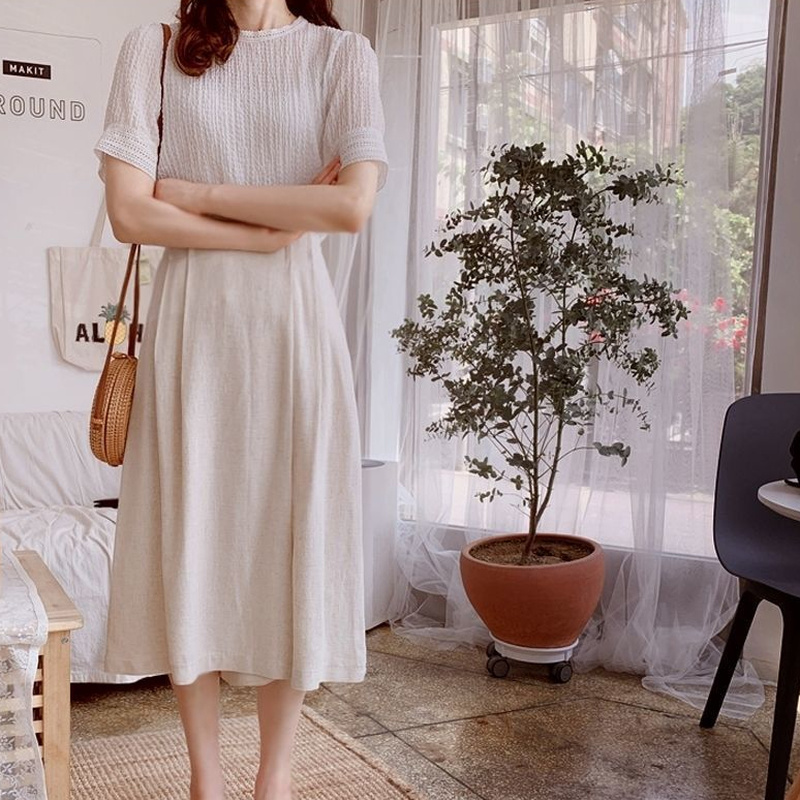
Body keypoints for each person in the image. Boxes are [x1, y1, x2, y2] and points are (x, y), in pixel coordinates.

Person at [93, 0, 388, 798]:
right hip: (193, 329)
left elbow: (350, 206)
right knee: (191, 531)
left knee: (288, 535)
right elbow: (129, 211)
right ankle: (205, 778)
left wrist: (196, 193)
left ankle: (275, 776)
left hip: (294, 330)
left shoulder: (341, 57)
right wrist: (272, 228)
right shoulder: (154, 49)